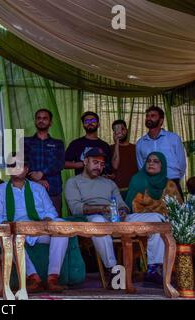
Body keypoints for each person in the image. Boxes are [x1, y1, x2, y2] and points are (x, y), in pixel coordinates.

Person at [65, 147, 167, 286]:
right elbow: (76, 208)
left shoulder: (109, 183)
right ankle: (113, 269)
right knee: (99, 221)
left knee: (156, 218)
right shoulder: (73, 182)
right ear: (85, 161)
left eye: (101, 164)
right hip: (92, 219)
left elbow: (121, 203)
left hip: (116, 218)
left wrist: (123, 211)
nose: (99, 167)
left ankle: (154, 269)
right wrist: (102, 209)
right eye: (95, 162)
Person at [0, 153, 68, 292]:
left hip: (39, 230)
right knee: (7, 236)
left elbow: (51, 211)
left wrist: (46, 220)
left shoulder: (38, 189)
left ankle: (52, 278)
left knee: (61, 226)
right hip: (16, 231)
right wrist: (8, 224)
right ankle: (33, 278)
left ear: (26, 169)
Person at [136, 106, 186, 197]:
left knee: (176, 211)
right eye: (147, 116)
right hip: (151, 186)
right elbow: (141, 167)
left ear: (161, 120)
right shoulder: (140, 143)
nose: (148, 118)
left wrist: (174, 180)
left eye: (153, 116)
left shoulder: (173, 138)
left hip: (172, 182)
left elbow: (182, 163)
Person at [25, 109, 65, 215]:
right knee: (30, 223)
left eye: (45, 118)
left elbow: (59, 163)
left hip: (53, 189)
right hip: (30, 189)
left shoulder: (58, 143)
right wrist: (36, 179)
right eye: (38, 118)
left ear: (50, 122)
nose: (41, 120)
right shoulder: (25, 142)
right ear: (35, 121)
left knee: (55, 225)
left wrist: (41, 173)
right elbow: (22, 164)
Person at [65, 111, 112, 175]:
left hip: (100, 182)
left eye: (93, 120)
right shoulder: (76, 143)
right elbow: (63, 164)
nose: (90, 123)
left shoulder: (105, 145)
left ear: (98, 124)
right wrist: (83, 164)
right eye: (86, 121)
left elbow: (109, 167)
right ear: (83, 125)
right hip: (81, 182)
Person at [110, 119, 138, 193]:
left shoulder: (136, 148)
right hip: (115, 190)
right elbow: (115, 166)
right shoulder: (109, 148)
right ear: (114, 133)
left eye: (122, 129)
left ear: (127, 130)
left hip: (134, 189)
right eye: (116, 130)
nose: (120, 132)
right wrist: (116, 143)